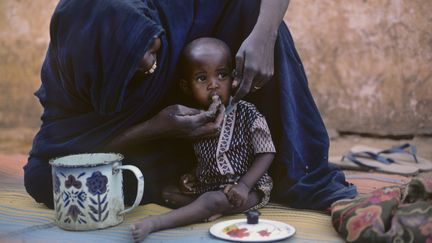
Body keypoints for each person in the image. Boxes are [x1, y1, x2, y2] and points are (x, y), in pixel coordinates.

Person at [24, 0, 356, 213]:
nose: (154, 68)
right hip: (154, 142)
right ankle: (200, 179)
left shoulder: (162, 14)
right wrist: (155, 127)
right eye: (139, 66)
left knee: (250, 10)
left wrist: (264, 36)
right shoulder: (72, 79)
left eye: (154, 48)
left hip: (190, 89)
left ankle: (291, 171)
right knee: (68, 183)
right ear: (98, 68)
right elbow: (47, 171)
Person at [131, 37, 276, 241]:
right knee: (167, 193)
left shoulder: (247, 112)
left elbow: (267, 152)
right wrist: (192, 176)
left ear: (233, 78)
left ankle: (156, 222)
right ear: (186, 86)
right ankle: (207, 210)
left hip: (249, 189)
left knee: (212, 200)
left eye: (222, 75)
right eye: (201, 78)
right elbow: (208, 160)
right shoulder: (195, 121)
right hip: (211, 186)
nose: (213, 85)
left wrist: (244, 186)